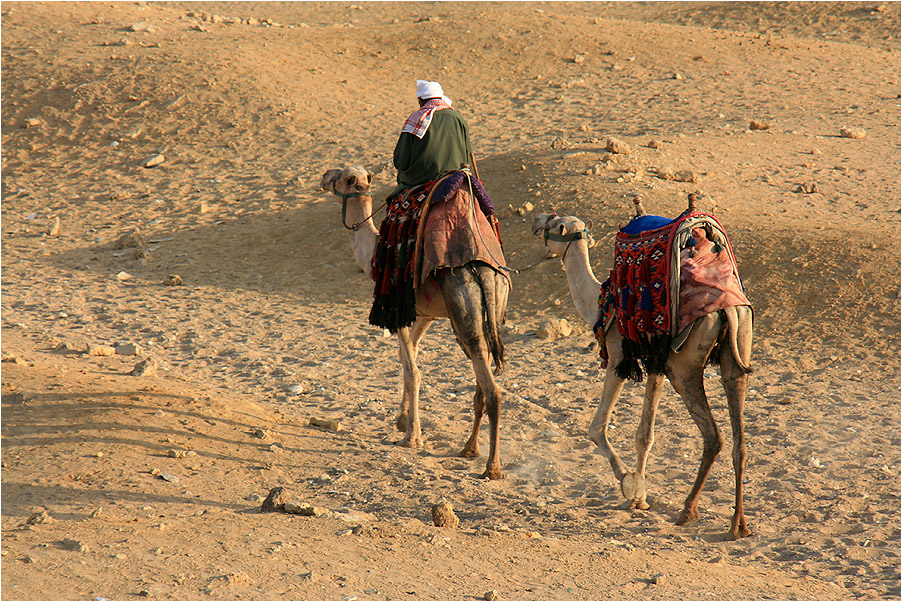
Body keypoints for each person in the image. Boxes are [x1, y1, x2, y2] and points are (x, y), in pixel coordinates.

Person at [389, 80, 473, 198]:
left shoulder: (417, 119)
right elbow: (469, 153)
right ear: (440, 97)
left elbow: (401, 161)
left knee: (394, 205)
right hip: (458, 176)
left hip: (424, 180)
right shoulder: (458, 117)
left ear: (421, 100)